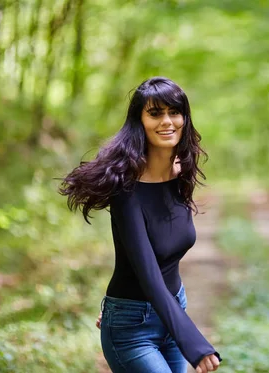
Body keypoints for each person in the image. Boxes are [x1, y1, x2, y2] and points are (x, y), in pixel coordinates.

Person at [59, 76, 222, 373]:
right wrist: (195, 344)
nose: (167, 121)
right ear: (139, 121)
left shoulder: (180, 171)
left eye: (174, 112)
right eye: (155, 113)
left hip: (172, 309)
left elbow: (167, 253)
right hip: (131, 329)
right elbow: (146, 271)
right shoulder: (126, 190)